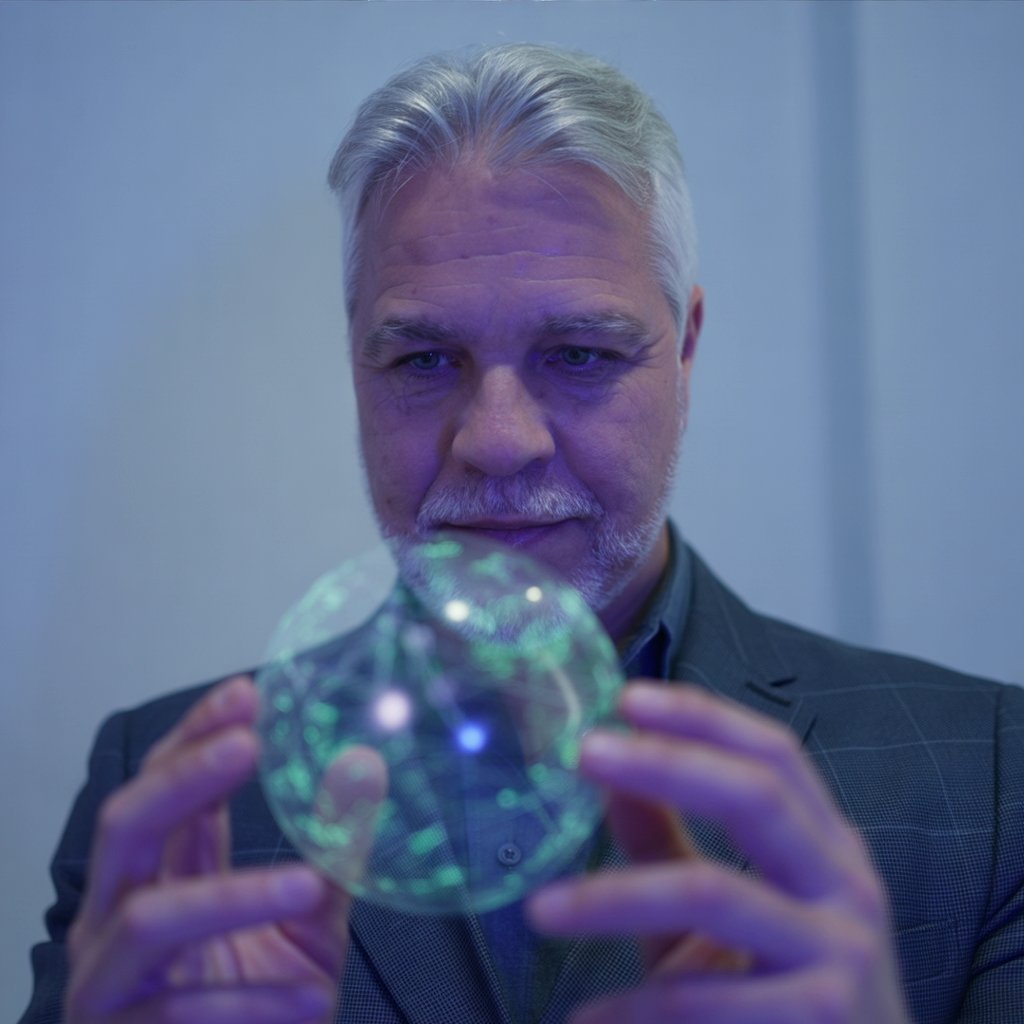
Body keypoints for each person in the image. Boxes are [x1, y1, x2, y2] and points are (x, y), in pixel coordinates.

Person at [19, 43, 1024, 1024]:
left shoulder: (987, 775)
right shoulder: (170, 805)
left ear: (685, 350)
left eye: (579, 353)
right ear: (356, 364)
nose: (496, 441)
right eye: (422, 361)